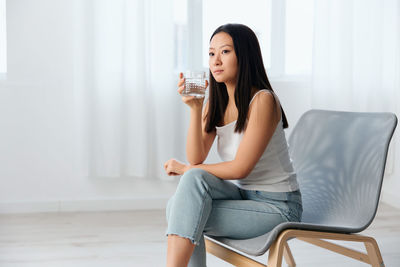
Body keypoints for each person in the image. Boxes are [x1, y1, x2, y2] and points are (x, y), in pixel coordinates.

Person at [163, 23, 302, 267]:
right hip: (245, 195)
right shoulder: (216, 103)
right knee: (183, 197)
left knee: (182, 208)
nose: (216, 60)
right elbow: (196, 159)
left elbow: (240, 169)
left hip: (278, 206)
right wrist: (196, 110)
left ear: (244, 55)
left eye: (225, 52)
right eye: (211, 53)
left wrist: (186, 169)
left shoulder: (263, 100)